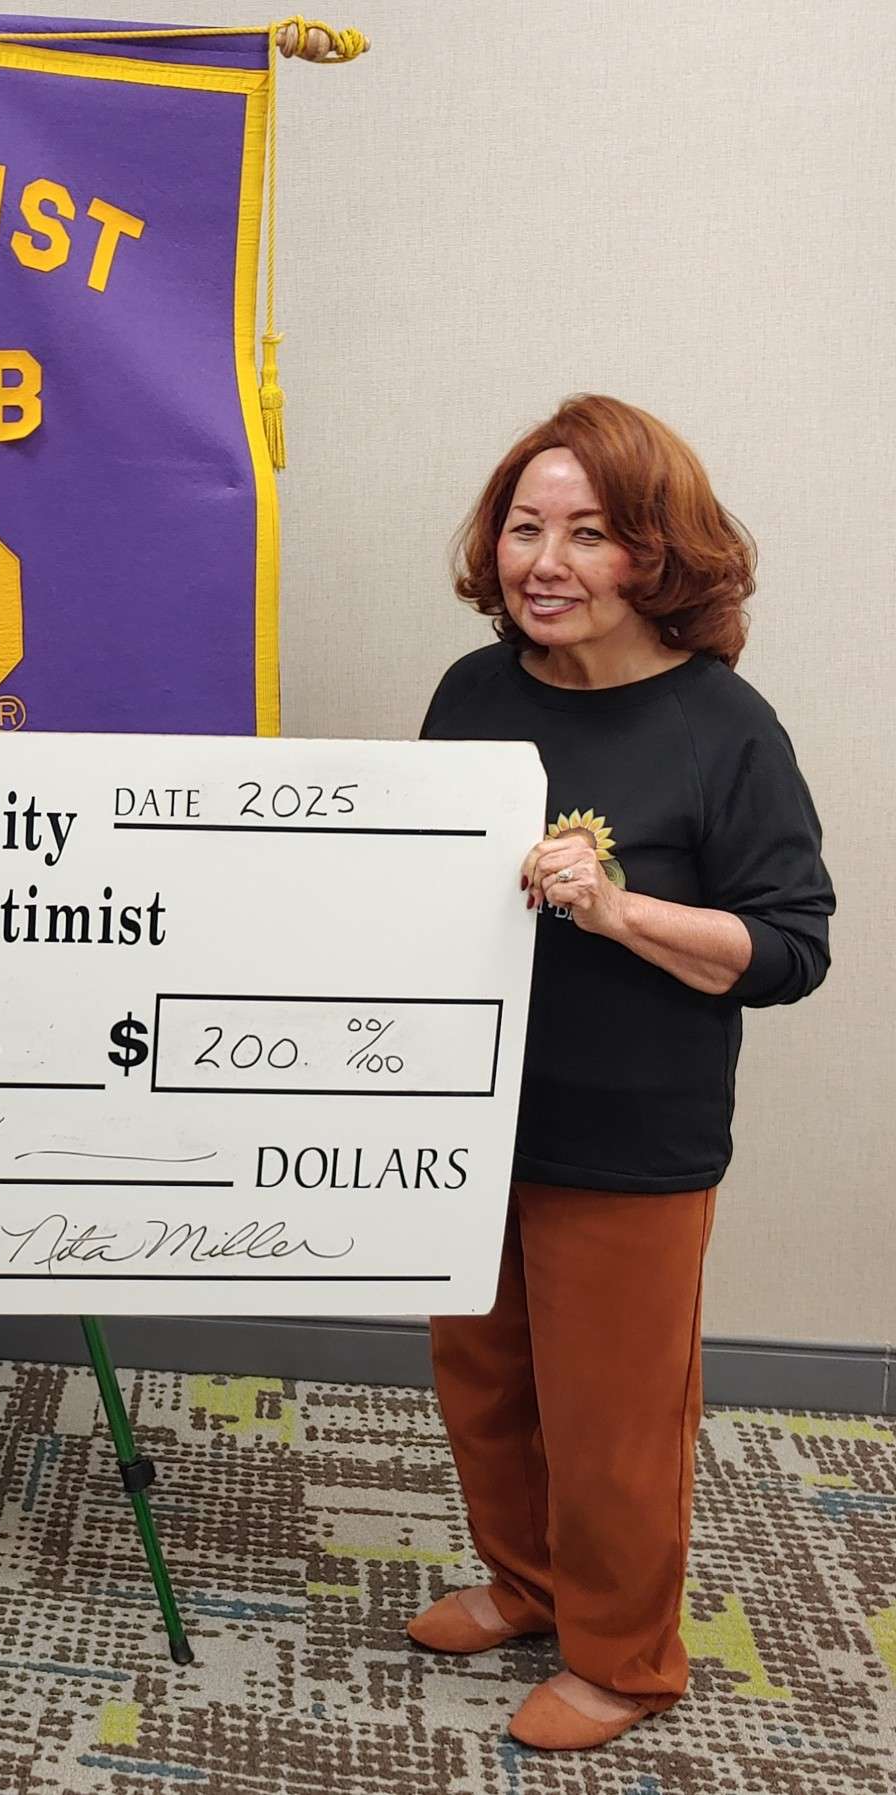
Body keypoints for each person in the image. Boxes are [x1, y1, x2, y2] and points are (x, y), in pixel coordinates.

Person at [409, 394, 833, 1750]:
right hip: (471, 1117)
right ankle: (527, 1588)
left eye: (589, 533)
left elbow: (787, 946)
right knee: (485, 1381)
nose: (547, 560)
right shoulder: (473, 692)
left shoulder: (726, 727)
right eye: (526, 527)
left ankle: (626, 1661)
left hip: (631, 1133)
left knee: (611, 1422)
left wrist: (618, 909)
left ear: (656, 555)